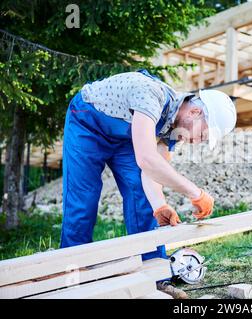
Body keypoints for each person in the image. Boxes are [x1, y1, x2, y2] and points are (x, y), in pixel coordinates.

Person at [60, 70, 237, 297]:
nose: (195, 142)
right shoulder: (150, 94)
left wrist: (159, 205)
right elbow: (146, 158)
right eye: (201, 136)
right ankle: (73, 278)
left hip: (124, 136)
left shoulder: (174, 127)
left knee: (142, 198)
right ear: (194, 112)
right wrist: (196, 193)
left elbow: (151, 172)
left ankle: (155, 277)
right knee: (83, 200)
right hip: (86, 122)